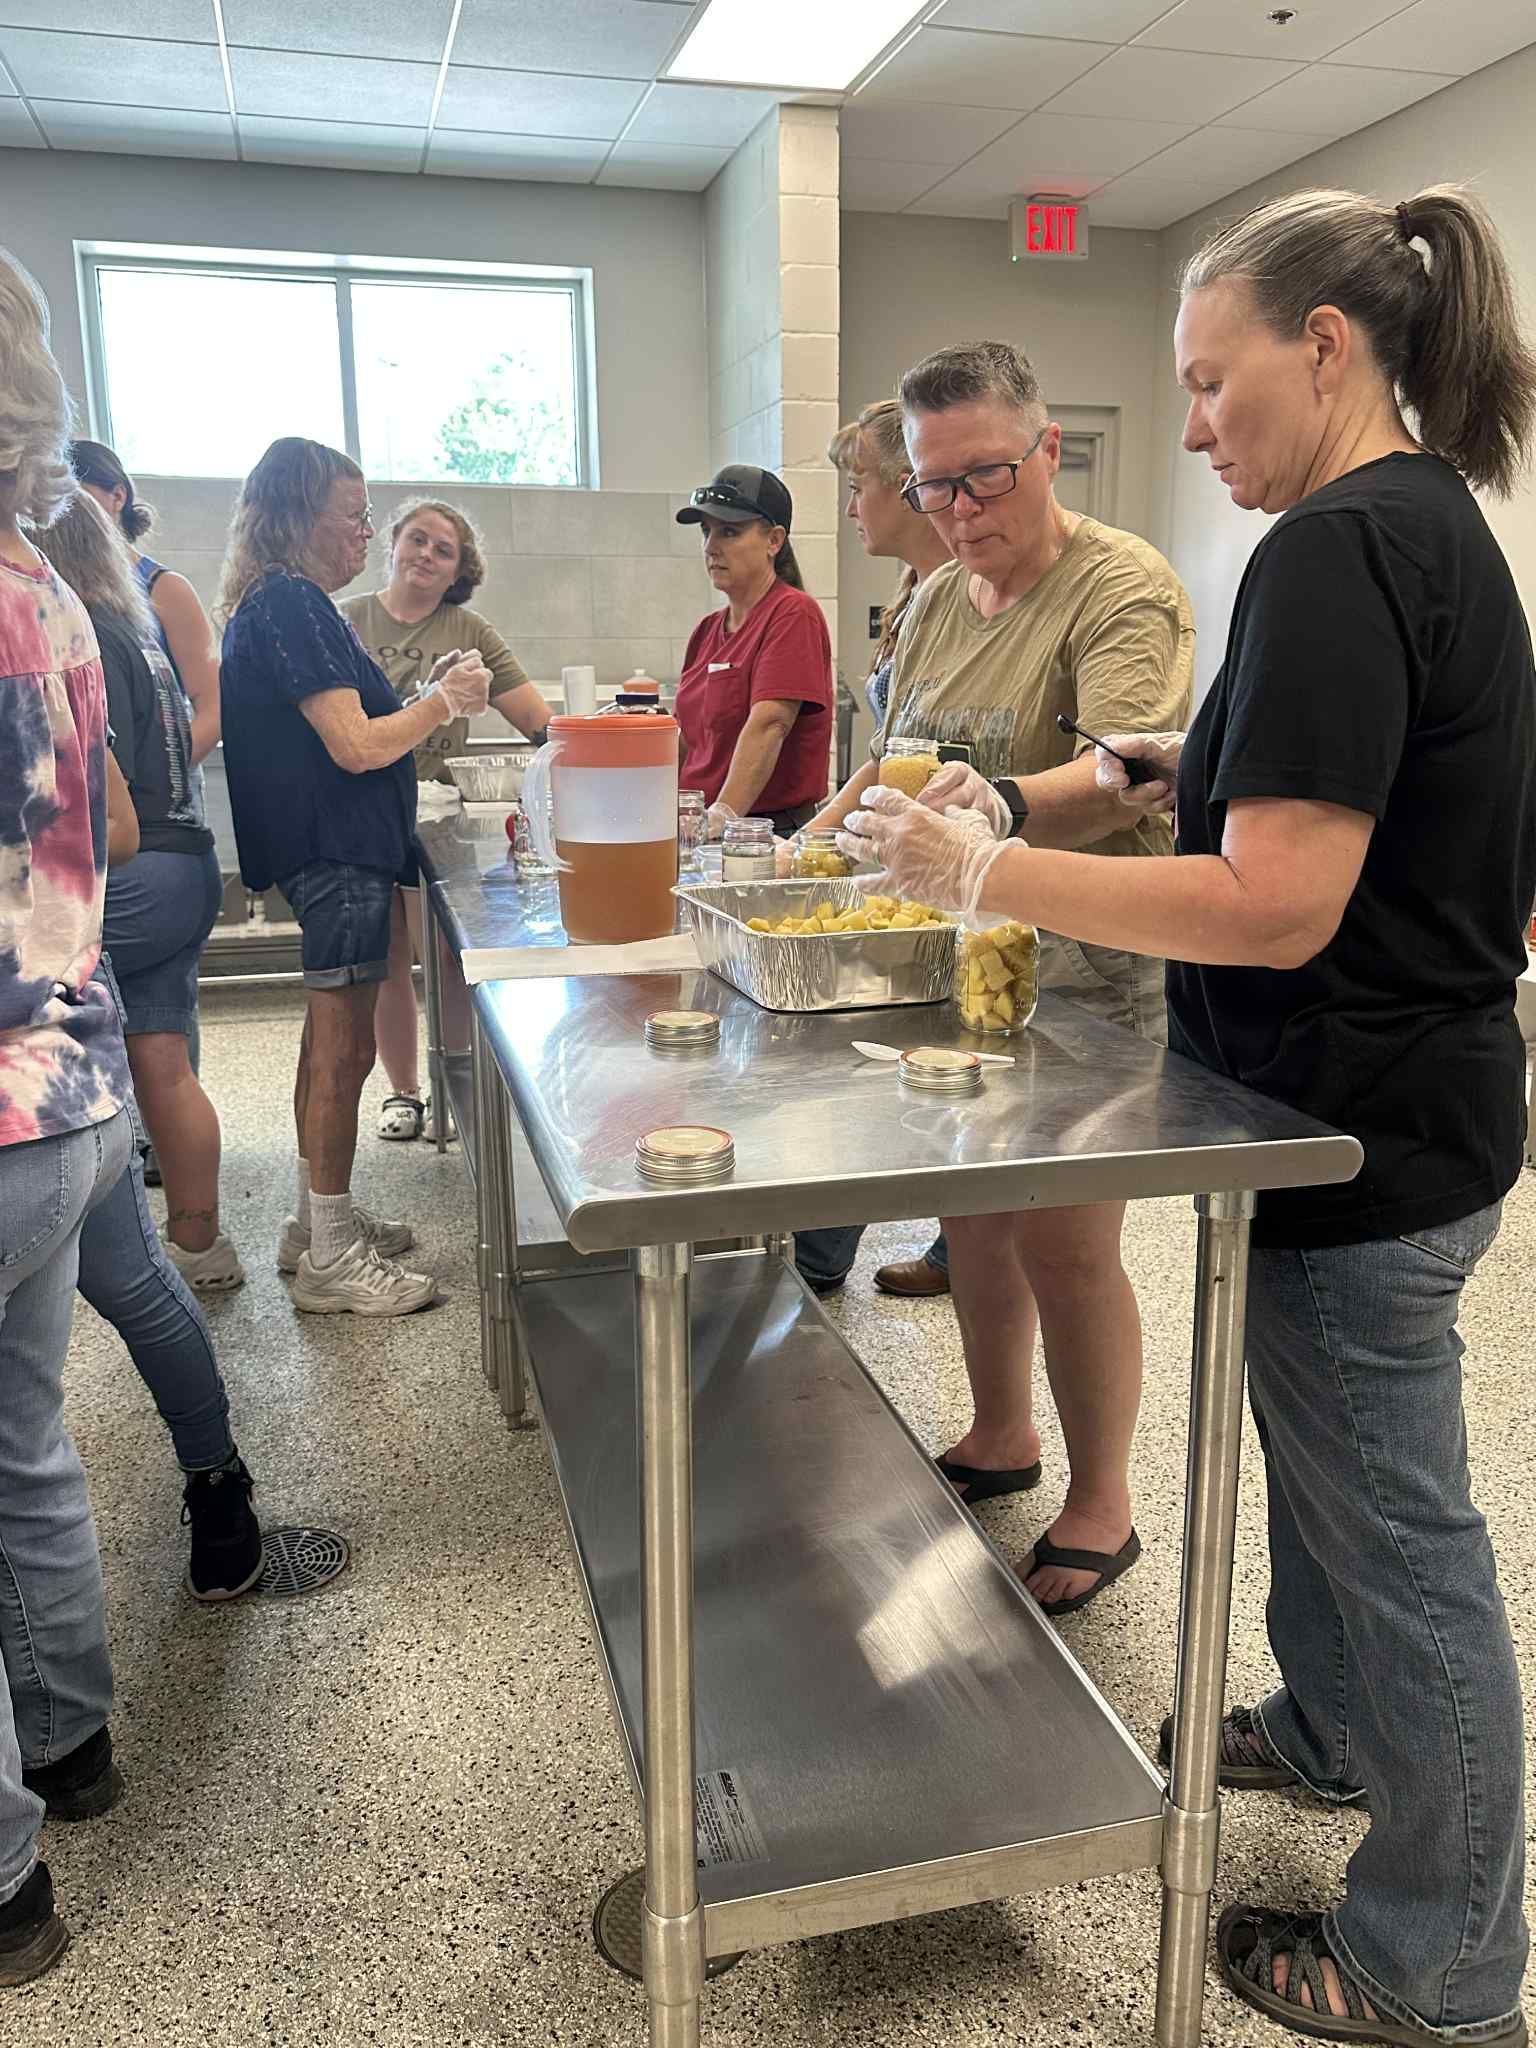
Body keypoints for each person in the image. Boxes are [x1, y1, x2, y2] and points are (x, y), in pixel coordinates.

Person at [840, 186, 1533, 2047]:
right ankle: (1320, 1722)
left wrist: (988, 867)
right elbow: (1314, 786)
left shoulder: (1330, 550)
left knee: (1403, 1530)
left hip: (1366, 1122)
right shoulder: (1414, 524)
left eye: (1211, 386)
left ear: (1325, 348)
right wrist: (1164, 755)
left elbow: (1275, 898)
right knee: (1322, 1467)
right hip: (1379, 1106)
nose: (1196, 426)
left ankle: (1446, 1955)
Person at [809, 341, 1194, 1615]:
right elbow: (892, 756)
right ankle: (997, 1431)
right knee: (972, 1211)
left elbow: (1129, 771)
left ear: (1047, 453)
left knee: (1067, 1239)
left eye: (985, 479)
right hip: (954, 965)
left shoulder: (1120, 588)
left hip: (1086, 967)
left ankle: (1103, 1501)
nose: (962, 513)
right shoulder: (930, 597)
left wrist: (1005, 811)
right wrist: (803, 846)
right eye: (934, 489)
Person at [217, 437, 491, 1317]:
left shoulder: (287, 604)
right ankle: (331, 1259)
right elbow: (358, 743)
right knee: (346, 1048)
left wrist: (429, 694)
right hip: (334, 851)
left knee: (324, 1042)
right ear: (298, 517)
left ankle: (314, 1224)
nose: (365, 535)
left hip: (336, 850)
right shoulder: (292, 602)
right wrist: (444, 702)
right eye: (354, 516)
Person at [0, 248, 135, 1985]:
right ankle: (72, 1741)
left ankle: (7, 1880)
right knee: (22, 1441)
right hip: (64, 1082)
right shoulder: (47, 578)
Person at [33, 494, 240, 1293]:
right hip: (186, 863)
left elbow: (87, 792)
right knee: (165, 1063)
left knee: (88, 1061)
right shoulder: (136, 628)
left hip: (132, 871)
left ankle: (106, 1265)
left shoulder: (75, 632)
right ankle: (200, 1250)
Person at [795, 400, 954, 1299]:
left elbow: (912, 765)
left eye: (858, 486)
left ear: (907, 483)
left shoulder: (961, 594)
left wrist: (810, 834)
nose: (853, 508)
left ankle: (829, 1253)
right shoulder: (914, 600)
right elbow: (888, 755)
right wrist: (817, 834)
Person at [342, 498, 552, 1144]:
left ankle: (453, 1082)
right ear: (393, 544)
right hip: (364, 811)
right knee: (386, 956)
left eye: (444, 549)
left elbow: (538, 721)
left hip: (437, 818)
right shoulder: (346, 622)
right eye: (418, 540)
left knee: (448, 952)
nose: (427, 556)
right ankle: (403, 1092)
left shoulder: (469, 632)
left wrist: (594, 750)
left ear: (460, 567)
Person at [79, 957, 262, 1601]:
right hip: (53, 1054)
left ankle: (215, 1473)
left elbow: (118, 848)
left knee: (130, 1283)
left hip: (48, 1069)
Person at [674, 463, 833, 839]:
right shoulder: (705, 631)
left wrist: (721, 819)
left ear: (774, 541)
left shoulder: (793, 614)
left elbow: (770, 724)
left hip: (763, 832)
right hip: (701, 829)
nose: (712, 546)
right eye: (706, 531)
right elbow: (686, 741)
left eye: (729, 531)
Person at [70, 437, 220, 766]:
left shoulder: (166, 589)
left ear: (118, 496)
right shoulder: (59, 594)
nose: (67, 514)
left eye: (75, 497)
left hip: (160, 798)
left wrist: (165, 777)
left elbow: (214, 707)